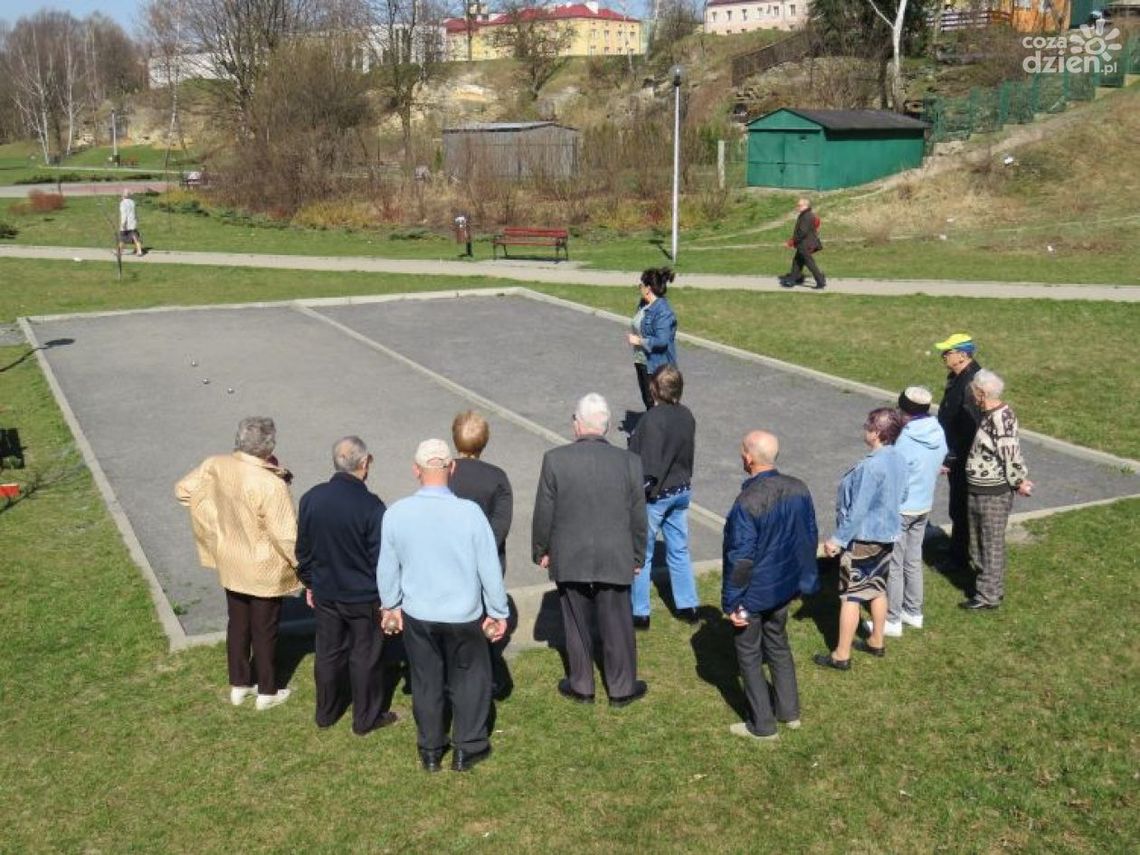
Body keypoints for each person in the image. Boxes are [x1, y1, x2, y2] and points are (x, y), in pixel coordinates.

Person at [377, 439, 509, 773]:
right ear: (451, 468)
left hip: (419, 613)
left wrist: (390, 604)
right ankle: (468, 746)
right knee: (469, 679)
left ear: (416, 470)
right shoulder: (470, 513)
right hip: (463, 613)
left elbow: (387, 567)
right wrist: (497, 610)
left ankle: (431, 749)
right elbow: (488, 566)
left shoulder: (397, 513)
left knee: (426, 680)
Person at [532, 393, 649, 707]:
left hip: (570, 552)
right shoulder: (629, 463)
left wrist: (541, 549)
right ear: (607, 427)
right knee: (618, 622)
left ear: (577, 424)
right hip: (615, 553)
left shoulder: (555, 459)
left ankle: (582, 684)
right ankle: (621, 686)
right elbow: (639, 515)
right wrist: (638, 555)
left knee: (575, 620)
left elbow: (545, 510)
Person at [175, 417, 299, 710]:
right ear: (269, 446)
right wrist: (303, 566)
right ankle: (267, 691)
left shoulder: (216, 465)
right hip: (263, 566)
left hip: (231, 559)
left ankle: (239, 684)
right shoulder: (271, 484)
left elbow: (184, 490)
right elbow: (286, 537)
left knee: (239, 623)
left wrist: (215, 520)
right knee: (265, 628)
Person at [295, 436, 399, 735]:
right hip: (363, 596)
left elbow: (303, 549)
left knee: (328, 652)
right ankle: (366, 717)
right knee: (365, 656)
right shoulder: (371, 506)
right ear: (364, 464)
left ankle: (326, 711)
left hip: (327, 591)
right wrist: (388, 598)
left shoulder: (312, 498)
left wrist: (311, 582)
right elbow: (381, 558)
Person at [722, 430, 819, 741]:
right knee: (777, 642)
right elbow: (808, 537)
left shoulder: (746, 502)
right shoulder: (798, 489)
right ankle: (789, 712)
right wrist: (805, 580)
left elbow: (741, 559)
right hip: (784, 587)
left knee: (749, 653)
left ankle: (762, 725)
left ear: (748, 458)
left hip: (754, 593)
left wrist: (733, 603)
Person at [815, 408, 908, 671]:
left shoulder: (871, 466)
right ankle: (876, 640)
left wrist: (837, 540)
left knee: (850, 596)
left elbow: (858, 510)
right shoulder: (898, 459)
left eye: (868, 426)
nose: (864, 429)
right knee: (877, 588)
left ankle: (841, 654)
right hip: (887, 535)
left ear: (877, 433)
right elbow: (903, 494)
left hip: (863, 539)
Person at [448, 410, 514, 698]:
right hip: (486, 563)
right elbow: (500, 526)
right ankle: (484, 678)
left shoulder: (444, 476)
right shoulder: (496, 478)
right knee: (483, 624)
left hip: (450, 562)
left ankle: (452, 675)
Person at [628, 365, 699, 629]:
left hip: (656, 496)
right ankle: (688, 605)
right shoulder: (686, 415)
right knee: (678, 549)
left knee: (642, 553)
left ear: (654, 389)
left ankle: (640, 611)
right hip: (681, 490)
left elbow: (646, 465)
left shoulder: (651, 420)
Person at [961, 370, 1033, 611]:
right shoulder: (987, 414)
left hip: (993, 492)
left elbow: (1009, 454)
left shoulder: (1001, 418)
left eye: (973, 391)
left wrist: (1019, 481)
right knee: (977, 542)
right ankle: (987, 586)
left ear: (982, 393)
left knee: (990, 543)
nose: (971, 395)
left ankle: (989, 595)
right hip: (978, 488)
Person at [882, 387, 948, 636]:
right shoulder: (937, 430)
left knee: (895, 564)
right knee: (913, 559)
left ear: (903, 410)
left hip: (901, 508)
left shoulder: (905, 439)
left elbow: (893, 472)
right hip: (923, 505)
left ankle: (893, 619)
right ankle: (914, 611)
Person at [935, 332, 983, 566]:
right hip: (956, 452)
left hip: (964, 457)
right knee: (957, 503)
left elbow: (972, 427)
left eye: (948, 352)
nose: (943, 355)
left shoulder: (972, 382)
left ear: (963, 355)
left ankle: (960, 555)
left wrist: (952, 457)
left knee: (962, 504)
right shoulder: (958, 377)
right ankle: (957, 546)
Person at [627, 267, 678, 409]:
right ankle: (653, 428)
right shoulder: (644, 304)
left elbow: (662, 341)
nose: (639, 288)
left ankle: (659, 429)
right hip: (641, 360)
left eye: (641, 285)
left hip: (656, 365)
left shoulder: (663, 311)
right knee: (648, 401)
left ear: (648, 288)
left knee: (659, 404)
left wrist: (639, 341)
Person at [779, 198, 825, 290]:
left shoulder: (807, 216)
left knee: (810, 263)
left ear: (806, 205)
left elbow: (802, 232)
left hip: (805, 244)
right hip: (805, 243)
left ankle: (820, 281)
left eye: (799, 205)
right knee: (797, 262)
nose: (797, 207)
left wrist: (792, 241)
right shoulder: (806, 215)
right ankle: (792, 280)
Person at [118, 189, 144, 257]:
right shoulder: (132, 202)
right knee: (135, 237)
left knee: (122, 238)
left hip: (126, 224)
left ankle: (120, 252)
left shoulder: (122, 203)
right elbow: (135, 212)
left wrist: (123, 223)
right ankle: (139, 251)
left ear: (123, 195)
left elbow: (124, 214)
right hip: (133, 222)